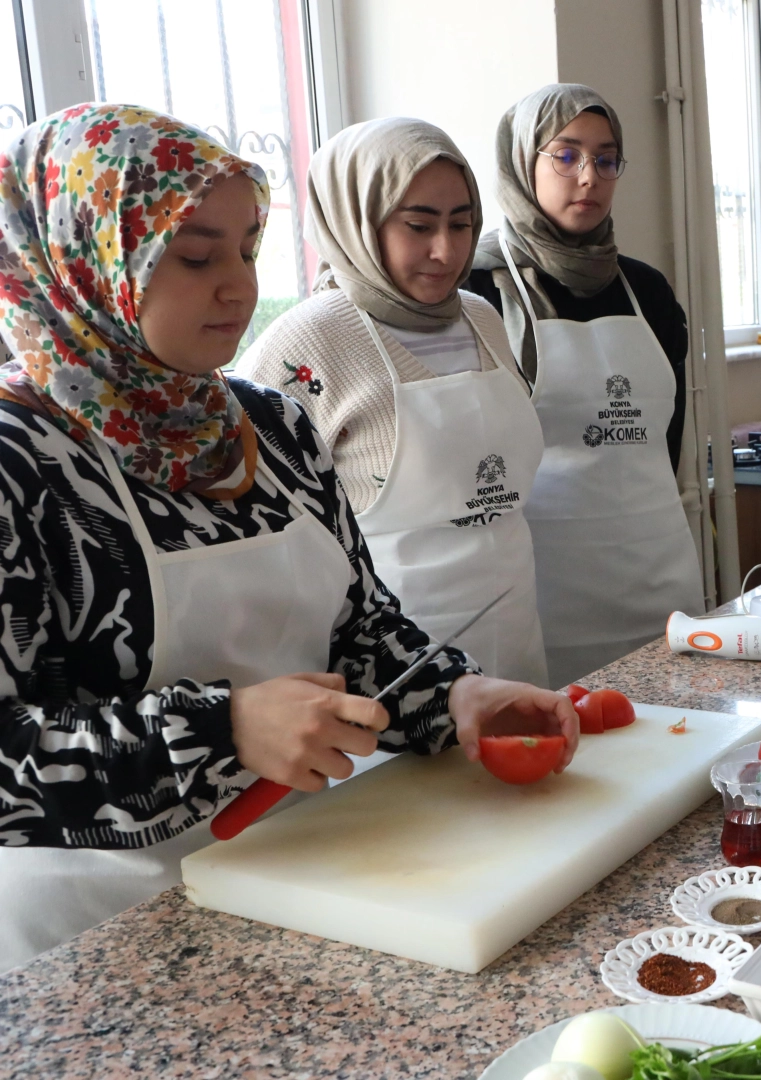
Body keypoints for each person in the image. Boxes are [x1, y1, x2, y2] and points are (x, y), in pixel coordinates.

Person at [0, 104, 578, 973]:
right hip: (103, 929)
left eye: (244, 249)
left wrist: (452, 696)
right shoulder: (20, 463)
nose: (235, 285)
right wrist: (223, 730)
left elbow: (361, 628)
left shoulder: (271, 427)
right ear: (86, 265)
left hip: (308, 872)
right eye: (194, 257)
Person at [237, 118, 549, 692]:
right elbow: (262, 529)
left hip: (514, 628)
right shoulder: (309, 342)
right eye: (418, 225)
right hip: (397, 665)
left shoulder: (481, 318)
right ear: (358, 221)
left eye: (462, 224)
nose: (446, 250)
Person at [465, 84, 703, 687]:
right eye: (566, 156)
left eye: (605, 158)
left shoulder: (647, 289)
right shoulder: (476, 290)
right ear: (523, 163)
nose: (588, 176)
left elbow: (665, 440)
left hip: (658, 572)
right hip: (547, 591)